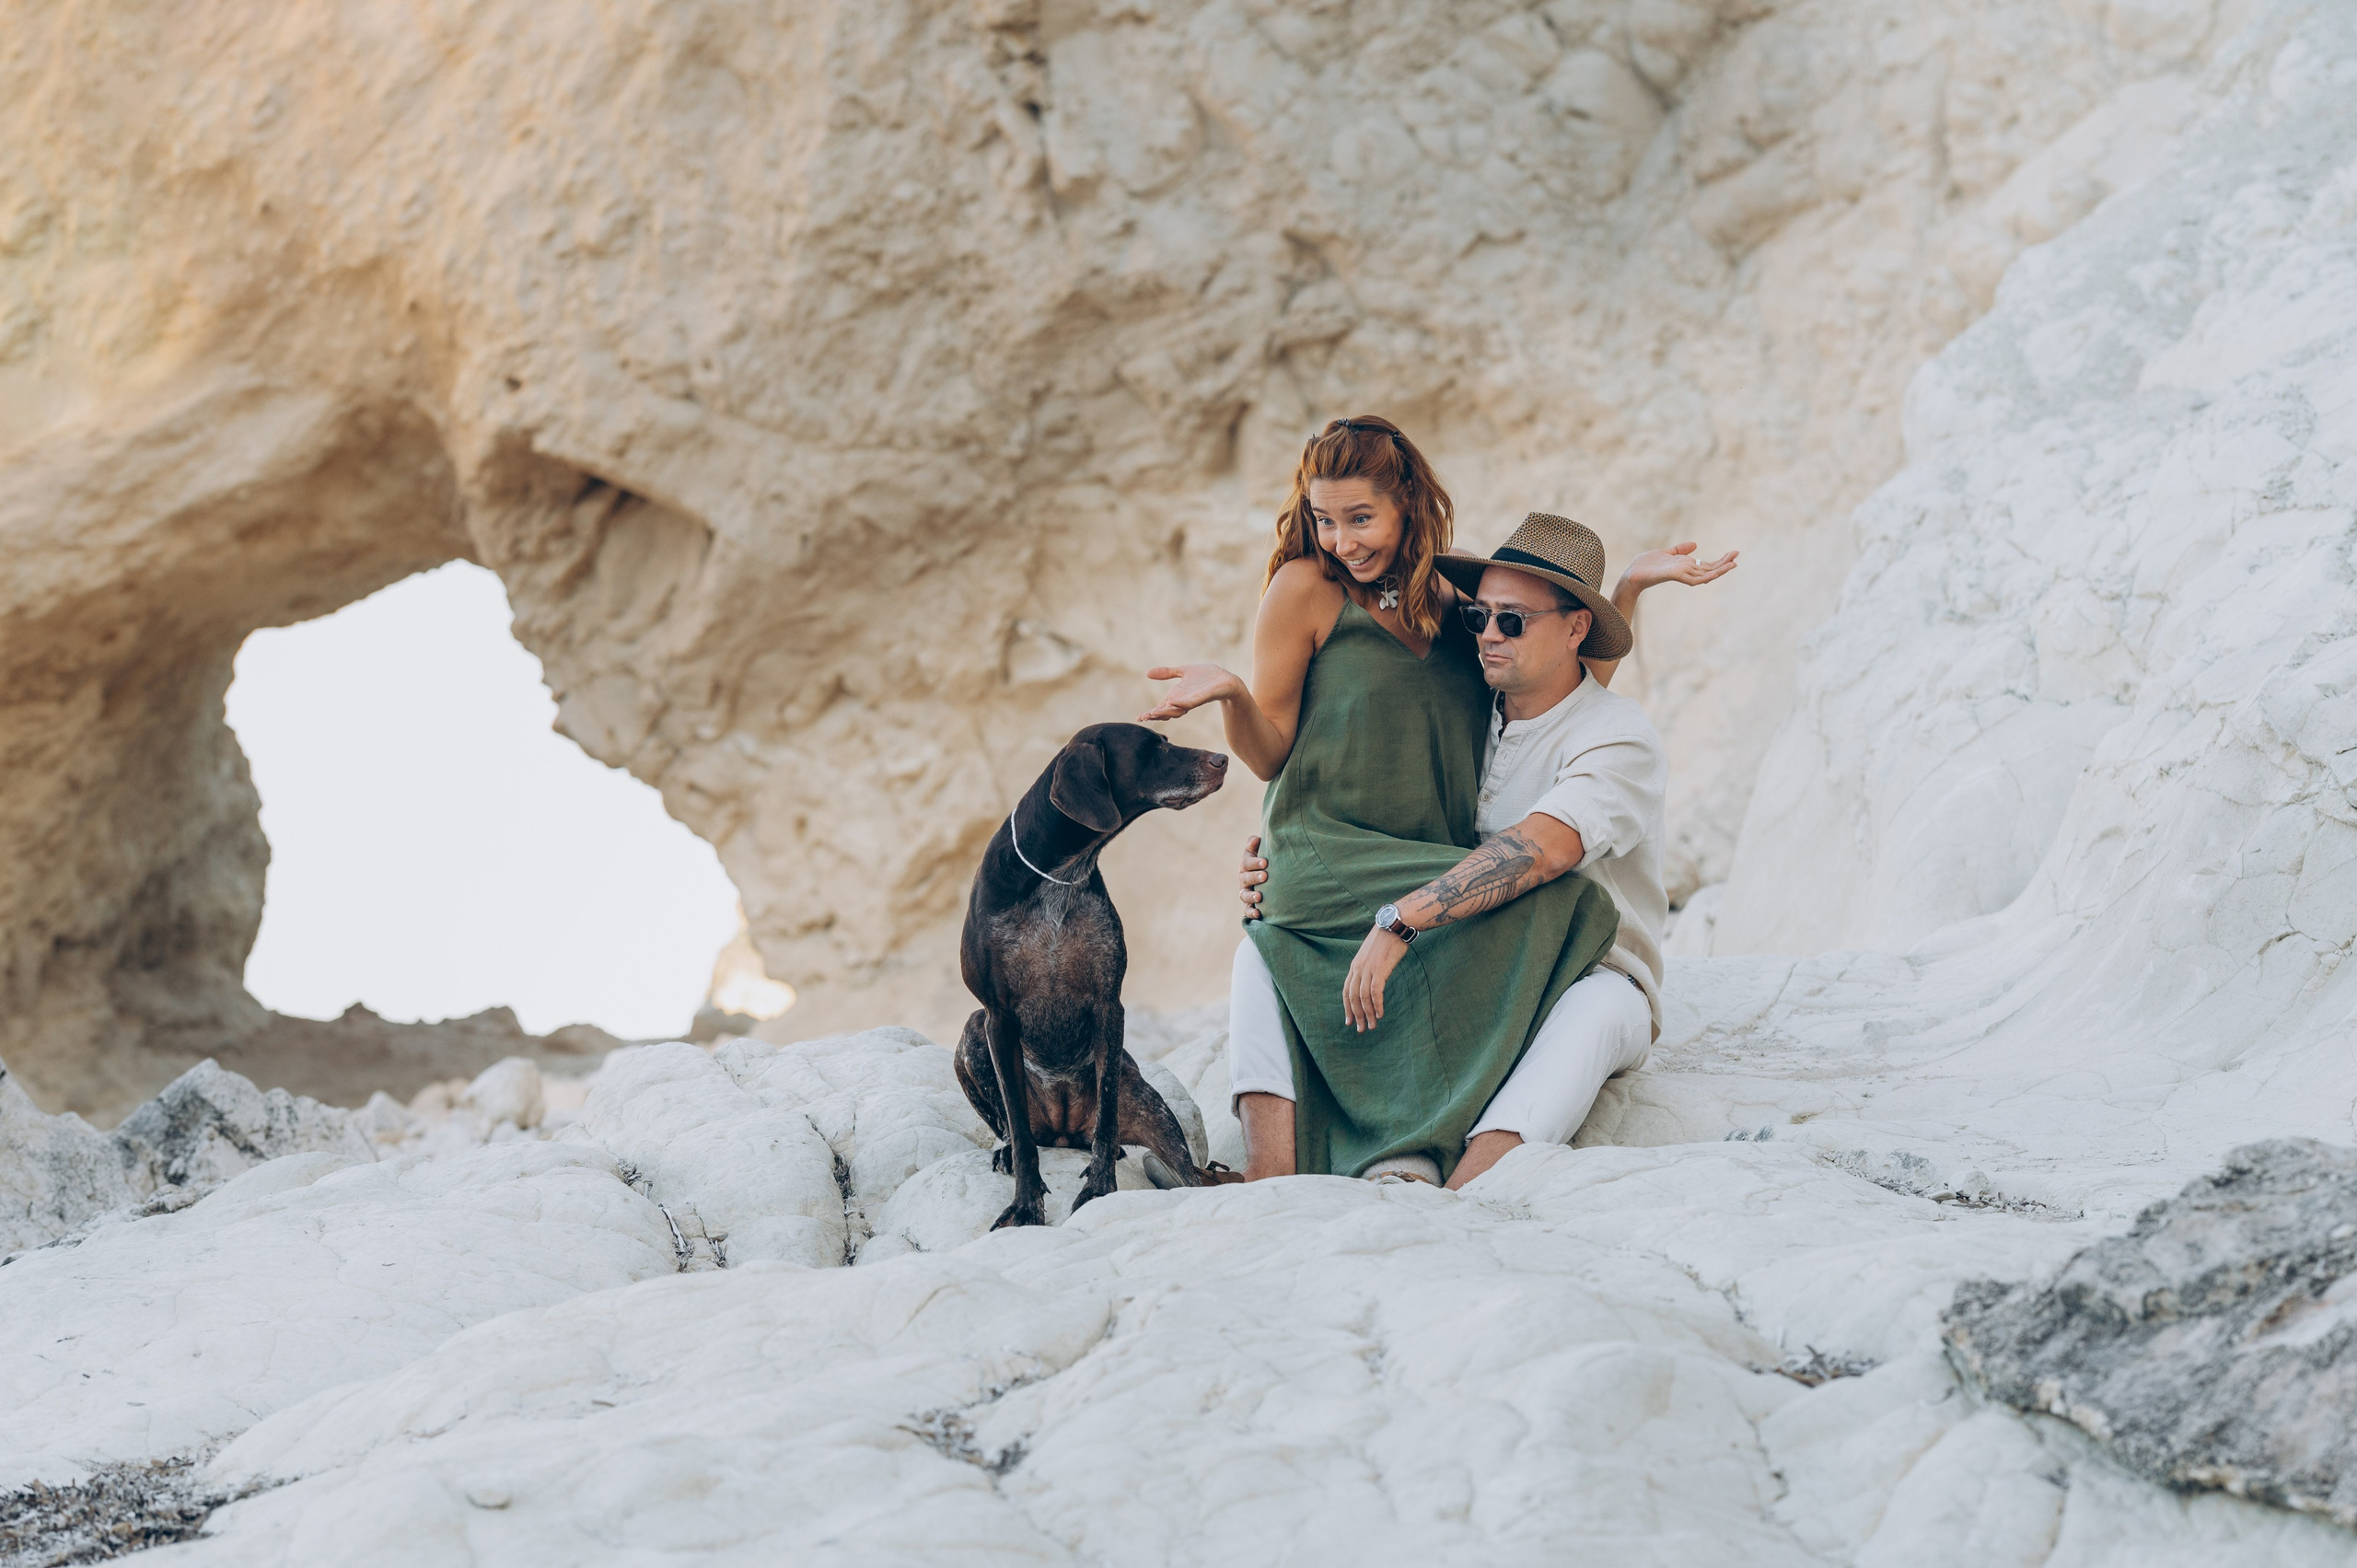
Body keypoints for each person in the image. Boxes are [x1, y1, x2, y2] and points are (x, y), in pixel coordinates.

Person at [1144, 418, 1725, 1187]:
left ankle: (1436, 1177)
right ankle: (1274, 1180)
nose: (1343, 540)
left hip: (1490, 908)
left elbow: (1568, 712)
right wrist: (1233, 701)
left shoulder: (1478, 630)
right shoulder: (1339, 602)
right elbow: (1545, 680)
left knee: (1560, 903)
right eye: (1325, 518)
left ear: (1407, 502)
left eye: (1361, 517)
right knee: (1267, 947)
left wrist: (1624, 596)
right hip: (1379, 868)